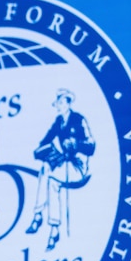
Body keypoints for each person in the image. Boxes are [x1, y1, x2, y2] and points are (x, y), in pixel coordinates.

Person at [27, 88, 94, 251]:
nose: (58, 106)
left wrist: (76, 144)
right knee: (46, 169)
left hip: (77, 167)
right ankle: (43, 219)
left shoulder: (79, 120)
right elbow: (47, 138)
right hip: (63, 163)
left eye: (61, 103)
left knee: (51, 180)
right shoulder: (59, 122)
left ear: (68, 103)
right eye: (58, 103)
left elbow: (91, 146)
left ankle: (48, 224)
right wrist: (39, 149)